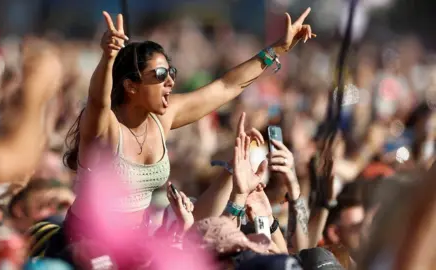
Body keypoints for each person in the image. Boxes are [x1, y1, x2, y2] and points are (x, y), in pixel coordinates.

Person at [64, 8, 316, 230]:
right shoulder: (105, 126)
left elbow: (226, 86)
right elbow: (98, 100)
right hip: (85, 241)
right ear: (131, 85)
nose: (171, 81)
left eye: (171, 71)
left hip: (134, 243)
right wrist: (108, 57)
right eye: (160, 74)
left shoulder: (162, 118)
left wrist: (277, 49)